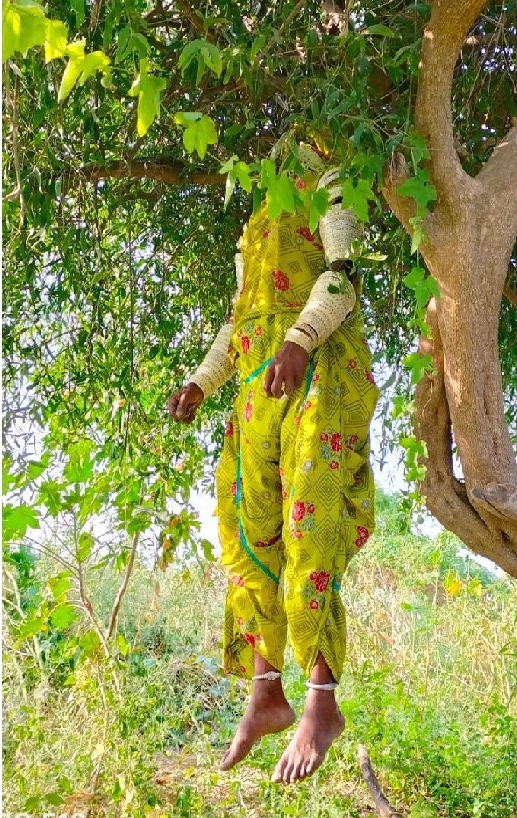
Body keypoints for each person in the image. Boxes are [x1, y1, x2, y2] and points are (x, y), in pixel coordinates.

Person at [165, 139, 379, 784]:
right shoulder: (254, 225)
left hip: (315, 368)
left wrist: (300, 339)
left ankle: (321, 700)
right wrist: (202, 382)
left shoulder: (334, 182)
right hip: (259, 377)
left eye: (297, 140)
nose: (283, 149)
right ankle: (266, 689)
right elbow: (237, 320)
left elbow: (342, 273)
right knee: (247, 531)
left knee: (309, 522)